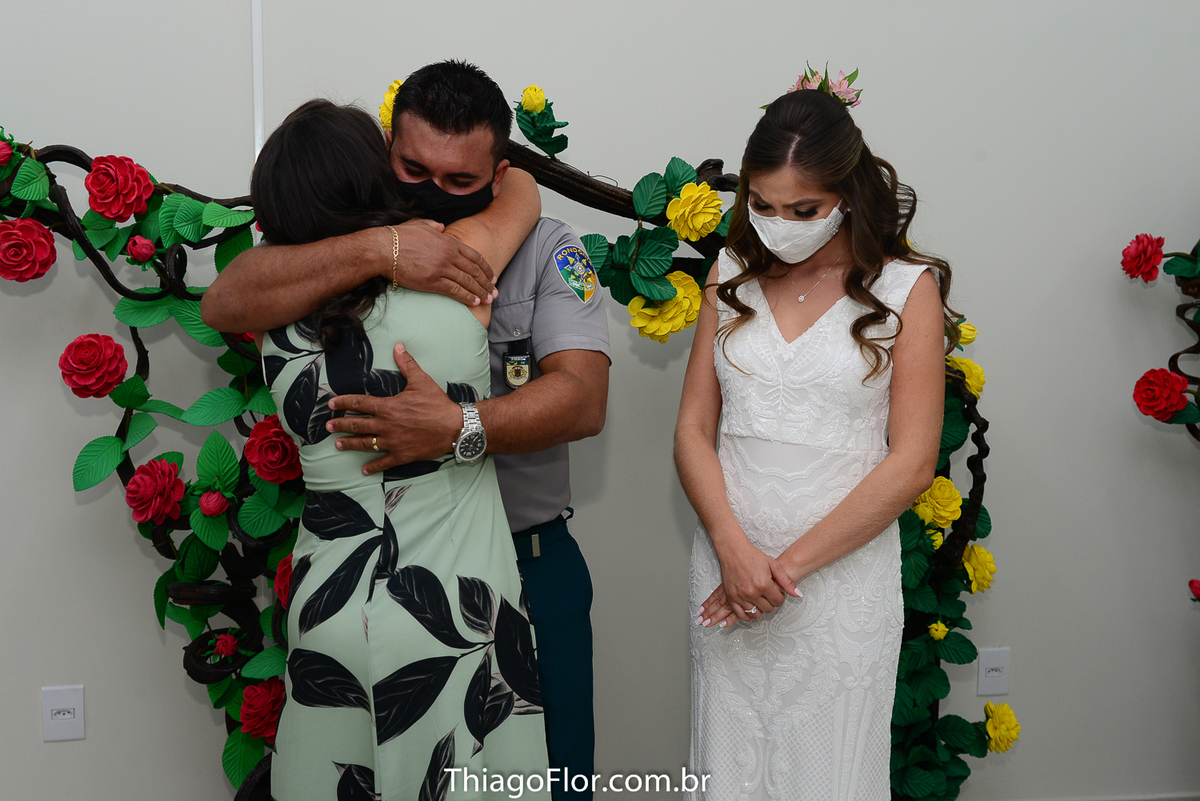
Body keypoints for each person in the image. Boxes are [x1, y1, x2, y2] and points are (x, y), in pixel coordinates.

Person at [202, 61, 609, 800]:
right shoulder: (333, 256)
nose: (433, 190)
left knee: (556, 777)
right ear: (385, 152)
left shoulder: (546, 248)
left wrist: (461, 426)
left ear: (498, 172)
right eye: (414, 169)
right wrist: (380, 249)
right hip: (382, 574)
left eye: (461, 179)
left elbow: (582, 401)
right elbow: (225, 298)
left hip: (526, 560)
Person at [674, 87, 955, 800]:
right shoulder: (729, 275)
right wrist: (734, 553)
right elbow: (693, 430)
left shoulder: (905, 289)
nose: (780, 225)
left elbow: (913, 462)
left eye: (804, 210)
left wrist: (781, 572)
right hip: (727, 569)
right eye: (763, 205)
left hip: (836, 581)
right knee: (728, 761)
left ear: (847, 195)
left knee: (827, 770)